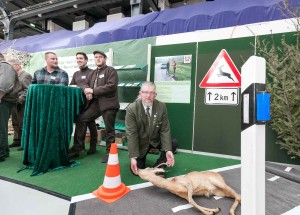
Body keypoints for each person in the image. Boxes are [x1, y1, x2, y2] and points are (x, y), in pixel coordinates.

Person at [68, 51, 119, 163]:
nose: (98, 59)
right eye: (96, 57)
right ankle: (78, 147)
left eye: (100, 57)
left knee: (109, 129)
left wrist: (93, 90)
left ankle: (109, 153)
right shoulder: (93, 73)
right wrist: (86, 90)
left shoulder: (110, 70)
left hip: (108, 103)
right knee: (81, 119)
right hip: (95, 104)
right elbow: (83, 83)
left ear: (105, 59)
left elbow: (111, 86)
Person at [125, 81, 175, 175]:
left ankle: (157, 168)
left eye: (152, 93)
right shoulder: (132, 109)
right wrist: (133, 157)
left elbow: (165, 130)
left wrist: (168, 150)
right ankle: (140, 159)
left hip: (155, 140)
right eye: (145, 92)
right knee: (137, 171)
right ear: (140, 93)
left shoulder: (161, 106)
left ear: (155, 95)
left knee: (172, 143)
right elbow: (131, 134)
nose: (148, 95)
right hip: (141, 143)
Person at [69, 52, 98, 155]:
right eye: (77, 58)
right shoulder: (76, 74)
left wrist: (81, 86)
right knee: (89, 122)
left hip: (92, 103)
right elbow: (72, 86)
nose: (79, 60)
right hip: (80, 103)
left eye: (81, 58)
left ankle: (83, 146)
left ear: (86, 60)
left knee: (86, 121)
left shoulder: (93, 72)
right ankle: (87, 146)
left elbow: (90, 86)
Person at [7, 59, 32, 151]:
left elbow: (28, 90)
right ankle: (17, 140)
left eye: (11, 66)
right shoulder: (14, 76)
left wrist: (20, 100)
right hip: (14, 102)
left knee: (23, 123)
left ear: (17, 65)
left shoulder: (26, 75)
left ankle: (25, 143)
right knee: (15, 123)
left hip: (22, 103)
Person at [0, 53, 20, 162]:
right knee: (2, 127)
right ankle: (4, 151)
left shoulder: (4, 65)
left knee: (0, 128)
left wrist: (0, 95)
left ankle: (1, 153)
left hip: (4, 100)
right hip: (5, 100)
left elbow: (5, 84)